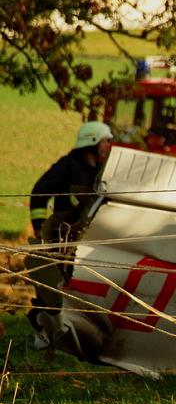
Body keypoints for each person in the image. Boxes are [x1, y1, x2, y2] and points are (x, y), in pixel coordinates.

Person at [27, 121, 113, 348]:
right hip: (63, 237)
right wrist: (39, 225)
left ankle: (70, 330)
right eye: (106, 141)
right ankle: (45, 330)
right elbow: (39, 192)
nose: (109, 146)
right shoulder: (68, 165)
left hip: (87, 239)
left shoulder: (99, 172)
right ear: (93, 141)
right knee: (54, 282)